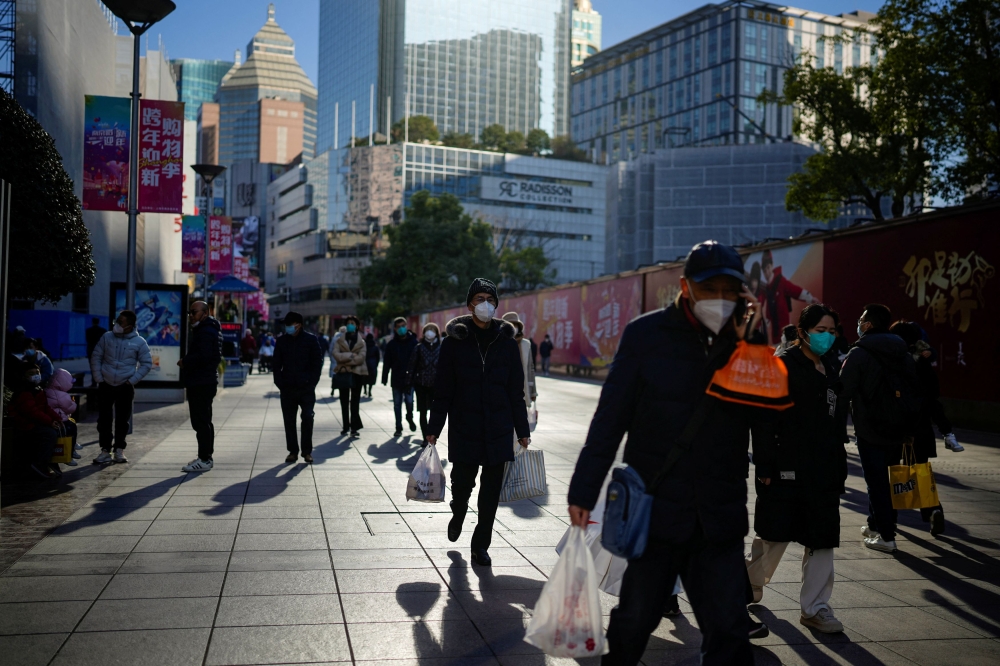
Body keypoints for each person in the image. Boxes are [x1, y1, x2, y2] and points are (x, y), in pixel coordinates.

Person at [567, 241, 767, 665]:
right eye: (708, 288)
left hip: (718, 515)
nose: (719, 299)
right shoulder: (646, 334)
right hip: (656, 512)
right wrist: (583, 491)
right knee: (633, 622)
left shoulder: (745, 342)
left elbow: (769, 418)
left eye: (729, 290)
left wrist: (754, 345)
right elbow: (609, 419)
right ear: (684, 286)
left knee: (730, 634)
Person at [746, 304, 848, 634]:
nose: (827, 337)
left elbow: (835, 421)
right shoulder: (782, 365)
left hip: (824, 469)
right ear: (802, 332)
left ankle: (815, 608)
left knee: (822, 538)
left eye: (832, 331)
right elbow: (764, 419)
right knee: (774, 536)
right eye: (820, 331)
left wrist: (839, 466)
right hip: (785, 466)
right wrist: (765, 464)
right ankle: (748, 584)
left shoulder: (831, 367)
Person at [426, 278, 531, 566]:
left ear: (496, 304)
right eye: (479, 299)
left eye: (490, 299)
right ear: (470, 304)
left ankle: (480, 545)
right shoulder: (453, 343)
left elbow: (516, 391)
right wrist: (434, 429)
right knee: (462, 484)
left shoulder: (507, 343)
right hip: (465, 426)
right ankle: (458, 511)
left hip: (499, 427)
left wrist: (522, 430)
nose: (485, 304)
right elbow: (443, 391)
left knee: (490, 493)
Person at [840, 303, 917, 553]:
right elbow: (915, 391)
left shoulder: (859, 353)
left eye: (861, 319)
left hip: (870, 428)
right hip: (898, 427)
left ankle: (886, 536)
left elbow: (843, 392)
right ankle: (876, 524)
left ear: (868, 324)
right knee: (890, 480)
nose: (858, 323)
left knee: (876, 482)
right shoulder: (902, 352)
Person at [889, 321, 948, 534]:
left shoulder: (894, 362)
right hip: (921, 426)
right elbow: (934, 395)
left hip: (895, 426)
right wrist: (946, 429)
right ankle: (933, 509)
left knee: (893, 470)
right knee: (920, 469)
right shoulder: (923, 363)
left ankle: (889, 519)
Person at [90, 310, 152, 464]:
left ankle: (119, 449)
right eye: (117, 321)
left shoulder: (139, 342)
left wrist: (132, 380)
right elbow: (96, 356)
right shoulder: (107, 337)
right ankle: (105, 450)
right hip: (106, 384)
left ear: (129, 326)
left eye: (121, 322)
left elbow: (147, 364)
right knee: (104, 420)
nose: (117, 324)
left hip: (125, 386)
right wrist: (99, 378)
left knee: (122, 420)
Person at [272, 311, 323, 464]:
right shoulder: (281, 341)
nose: (287, 327)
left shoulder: (311, 340)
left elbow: (317, 362)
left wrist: (312, 382)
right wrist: (280, 383)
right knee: (289, 420)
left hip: (306, 388)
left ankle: (306, 452)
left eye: (290, 324)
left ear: (298, 325)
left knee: (307, 417)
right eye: (286, 325)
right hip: (287, 388)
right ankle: (292, 451)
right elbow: (276, 364)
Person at [178, 301, 223, 473]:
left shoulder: (205, 332)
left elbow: (203, 356)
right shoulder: (208, 329)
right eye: (189, 312)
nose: (191, 315)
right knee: (204, 421)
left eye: (194, 312)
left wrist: (185, 361)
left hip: (201, 382)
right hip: (204, 381)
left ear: (205, 313)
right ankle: (205, 457)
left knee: (201, 422)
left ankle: (204, 458)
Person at [9, 364, 62, 478]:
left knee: (63, 428)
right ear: (24, 376)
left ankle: (51, 460)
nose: (36, 376)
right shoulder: (23, 391)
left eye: (37, 373)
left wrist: (57, 418)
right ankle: (40, 464)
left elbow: (45, 407)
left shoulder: (37, 389)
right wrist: (50, 422)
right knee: (50, 433)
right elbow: (31, 412)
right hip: (25, 424)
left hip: (34, 421)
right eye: (31, 374)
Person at [761, 250, 818, 345]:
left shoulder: (780, 282)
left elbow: (794, 290)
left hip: (786, 331)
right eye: (764, 270)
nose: (767, 272)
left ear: (772, 266)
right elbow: (769, 308)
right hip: (775, 335)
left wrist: (810, 298)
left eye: (768, 268)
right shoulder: (768, 288)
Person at [406, 322, 442, 445]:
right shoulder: (419, 347)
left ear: (436, 333)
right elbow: (412, 366)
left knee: (434, 412)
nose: (430, 332)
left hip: (436, 385)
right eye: (427, 329)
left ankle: (433, 435)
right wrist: (408, 382)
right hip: (420, 384)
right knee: (422, 411)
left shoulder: (441, 348)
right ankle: (425, 437)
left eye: (432, 329)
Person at [332, 315, 367, 437]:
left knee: (355, 401)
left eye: (352, 323)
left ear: (357, 326)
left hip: (358, 373)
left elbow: (361, 358)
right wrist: (351, 356)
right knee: (344, 401)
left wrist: (345, 358)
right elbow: (336, 354)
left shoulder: (361, 342)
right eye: (348, 323)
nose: (350, 325)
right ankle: (345, 426)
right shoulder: (339, 340)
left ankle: (354, 427)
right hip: (344, 373)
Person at [382, 316, 418, 437]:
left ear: (406, 326)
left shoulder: (414, 342)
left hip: (410, 379)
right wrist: (384, 377)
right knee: (397, 404)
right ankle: (398, 427)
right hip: (396, 378)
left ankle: (409, 417)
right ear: (395, 329)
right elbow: (387, 362)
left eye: (403, 326)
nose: (401, 328)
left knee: (409, 402)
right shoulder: (392, 344)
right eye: (399, 327)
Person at [502, 313, 537, 423]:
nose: (513, 327)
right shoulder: (499, 343)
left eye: (515, 324)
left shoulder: (526, 344)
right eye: (510, 324)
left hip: (522, 389)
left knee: (520, 423)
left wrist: (533, 392)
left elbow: (530, 368)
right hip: (504, 390)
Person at [44, 368, 81, 465]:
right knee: (72, 428)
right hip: (60, 420)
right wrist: (73, 403)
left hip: (53, 418)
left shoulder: (47, 390)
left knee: (71, 424)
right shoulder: (62, 395)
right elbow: (70, 408)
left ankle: (73, 447)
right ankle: (70, 451)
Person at [85, 318, 107, 385]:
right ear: (98, 322)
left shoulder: (88, 330)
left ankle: (93, 382)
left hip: (91, 351)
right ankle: (101, 382)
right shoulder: (103, 331)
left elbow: (88, 340)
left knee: (92, 367)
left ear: (92, 322)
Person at [329, 325, 347, 397]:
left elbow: (330, 349)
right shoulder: (346, 338)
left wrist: (331, 358)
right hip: (344, 360)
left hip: (335, 359)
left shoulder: (334, 338)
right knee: (343, 376)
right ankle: (341, 391)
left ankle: (333, 389)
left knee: (335, 375)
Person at [363, 332, 380, 398]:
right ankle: (369, 390)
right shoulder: (375, 347)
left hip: (365, 364)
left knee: (364, 378)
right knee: (371, 379)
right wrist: (376, 364)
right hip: (373, 364)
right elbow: (378, 357)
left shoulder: (364, 346)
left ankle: (365, 390)